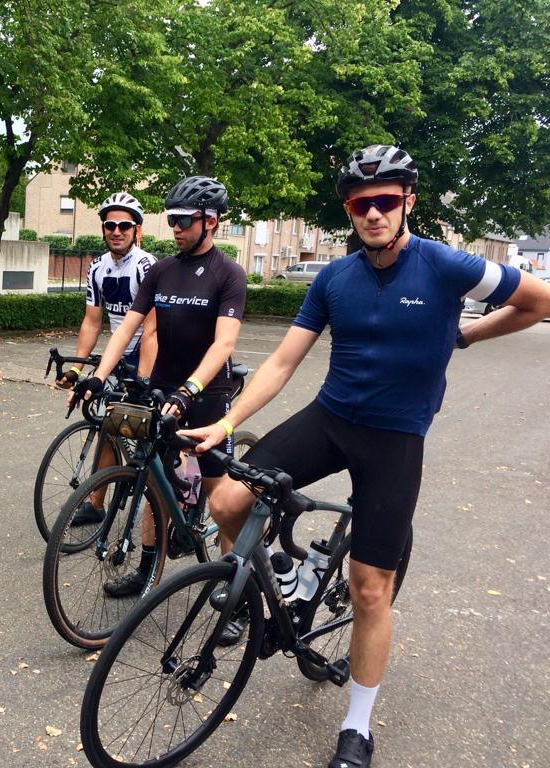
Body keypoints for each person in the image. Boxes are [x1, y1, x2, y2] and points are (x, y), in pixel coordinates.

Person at [180, 144, 550, 768]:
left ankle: (357, 724)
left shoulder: (446, 265)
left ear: (408, 203)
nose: (373, 213)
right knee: (227, 500)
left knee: (370, 590)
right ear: (349, 212)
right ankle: (289, 576)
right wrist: (227, 421)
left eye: (384, 201)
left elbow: (539, 302)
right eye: (360, 205)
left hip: (395, 437)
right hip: (330, 419)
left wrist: (465, 334)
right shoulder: (335, 278)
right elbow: (283, 361)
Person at [72, 176, 247, 596]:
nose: (175, 228)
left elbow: (224, 344)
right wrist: (95, 376)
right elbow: (126, 328)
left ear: (211, 221)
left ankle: (235, 588)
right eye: (171, 220)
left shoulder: (228, 274)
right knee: (154, 478)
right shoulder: (163, 270)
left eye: (184, 220)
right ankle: (147, 570)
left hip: (208, 393)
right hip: (164, 388)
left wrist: (190, 390)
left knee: (219, 493)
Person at [55, 192, 157, 525]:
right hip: (118, 352)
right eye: (110, 225)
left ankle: (167, 503)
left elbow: (153, 330)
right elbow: (92, 321)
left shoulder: (146, 266)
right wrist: (76, 368)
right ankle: (97, 503)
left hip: (149, 353)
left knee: (151, 433)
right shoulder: (97, 267)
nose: (116, 231)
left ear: (137, 230)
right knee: (108, 425)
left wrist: (142, 381)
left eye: (124, 225)